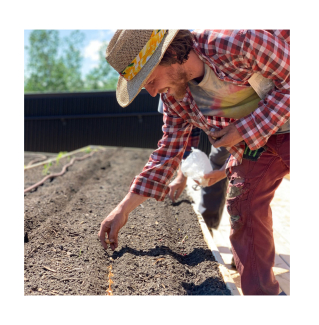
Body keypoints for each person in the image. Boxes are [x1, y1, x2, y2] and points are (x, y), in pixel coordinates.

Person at [98, 29, 290, 295]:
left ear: (173, 54)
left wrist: (244, 130)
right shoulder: (175, 97)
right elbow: (168, 151)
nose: (153, 93)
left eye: (150, 80)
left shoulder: (239, 42)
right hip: (258, 146)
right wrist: (123, 208)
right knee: (243, 208)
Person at [157, 97, 230, 233]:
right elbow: (187, 135)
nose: (151, 91)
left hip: (246, 122)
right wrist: (182, 176)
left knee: (244, 188)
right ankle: (208, 225)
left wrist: (228, 169)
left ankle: (243, 244)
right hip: (221, 125)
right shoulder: (172, 96)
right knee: (215, 166)